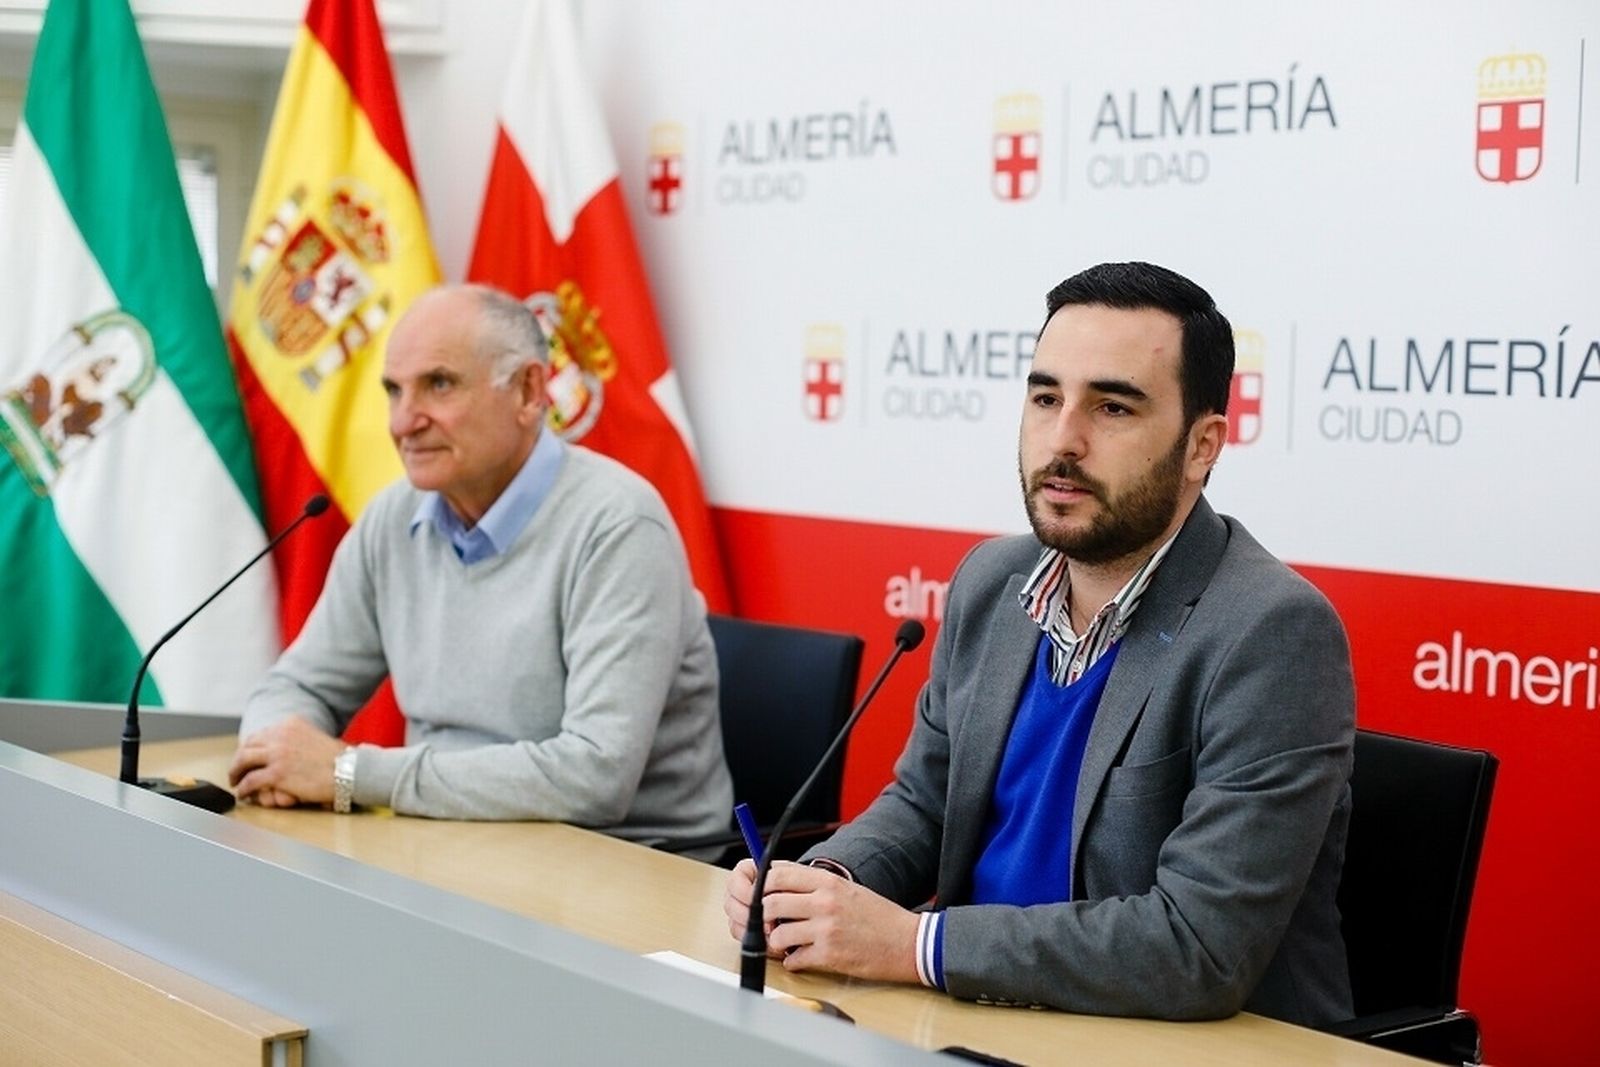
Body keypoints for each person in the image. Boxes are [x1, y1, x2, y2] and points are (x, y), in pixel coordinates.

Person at [724, 262, 1356, 1026]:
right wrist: (820, 887)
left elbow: (1198, 947)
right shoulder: (993, 581)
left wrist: (914, 944)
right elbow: (926, 805)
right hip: (974, 1017)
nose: (1063, 440)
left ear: (1201, 446)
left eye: (1113, 407)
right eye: (1046, 397)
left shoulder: (1271, 632)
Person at [229, 284, 733, 852]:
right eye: (395, 391)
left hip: (625, 861)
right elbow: (298, 685)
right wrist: (273, 758)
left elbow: (595, 777)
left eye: (438, 385)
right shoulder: (392, 519)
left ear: (528, 391)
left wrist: (349, 774)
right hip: (450, 840)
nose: (403, 422)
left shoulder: (617, 525)